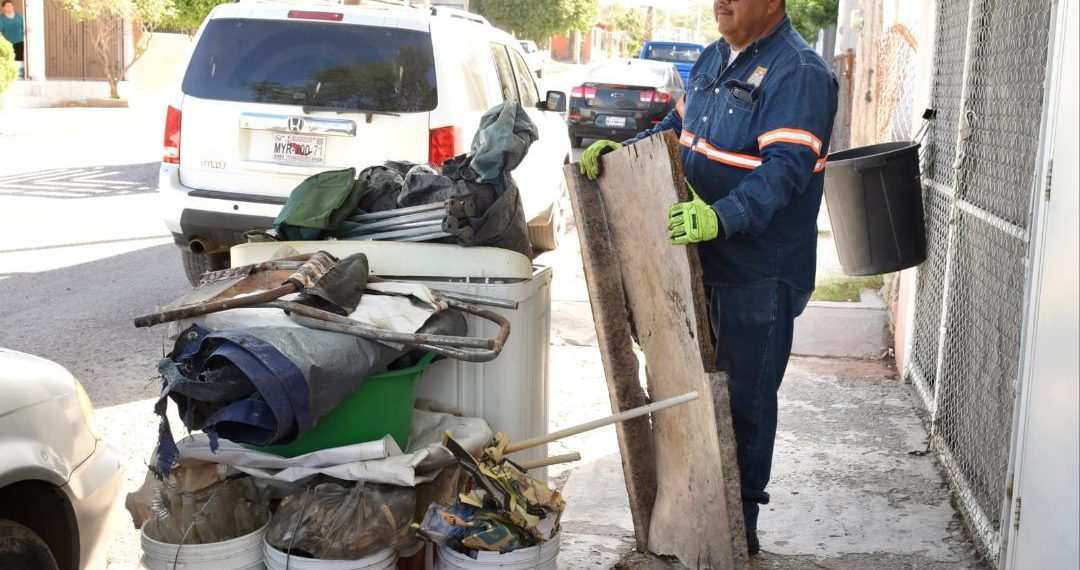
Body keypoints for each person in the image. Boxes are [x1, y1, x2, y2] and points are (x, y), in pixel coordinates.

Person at [580, 0, 838, 556]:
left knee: (744, 400)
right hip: (700, 261)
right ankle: (696, 514)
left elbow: (785, 172)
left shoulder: (800, 73)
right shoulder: (714, 58)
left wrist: (721, 217)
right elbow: (682, 126)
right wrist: (626, 152)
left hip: (758, 272)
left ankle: (735, 534)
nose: (719, 1)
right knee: (694, 392)